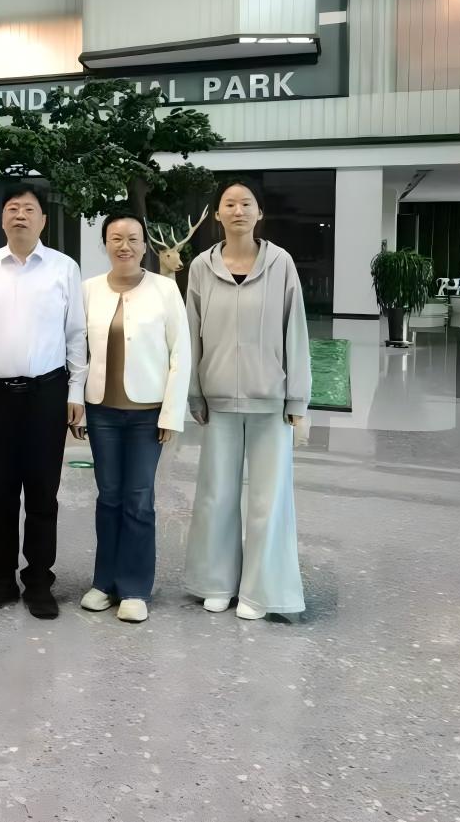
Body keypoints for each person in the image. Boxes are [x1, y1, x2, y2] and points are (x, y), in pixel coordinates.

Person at [183, 179, 310, 620]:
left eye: (246, 203)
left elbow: (296, 331)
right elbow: (192, 332)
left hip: (270, 401)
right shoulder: (201, 266)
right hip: (217, 399)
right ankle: (215, 582)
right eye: (229, 204)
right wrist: (193, 391)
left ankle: (261, 591)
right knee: (215, 496)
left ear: (260, 213)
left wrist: (297, 400)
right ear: (217, 214)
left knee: (268, 501)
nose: (238, 211)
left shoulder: (281, 264)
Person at [0, 185, 86, 619]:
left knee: (42, 493)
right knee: (0, 493)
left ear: (43, 220)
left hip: (47, 394)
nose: (20, 215)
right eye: (12, 208)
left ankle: (38, 581)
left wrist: (76, 391)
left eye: (29, 209)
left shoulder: (64, 268)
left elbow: (76, 334)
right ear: (2, 219)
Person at [73, 210, 191, 624]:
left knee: (139, 498)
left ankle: (136, 588)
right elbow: (77, 351)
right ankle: (104, 582)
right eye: (116, 238)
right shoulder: (88, 290)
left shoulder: (164, 289)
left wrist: (171, 414)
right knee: (108, 497)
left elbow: (181, 353)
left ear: (144, 246)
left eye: (133, 239)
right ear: (105, 243)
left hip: (147, 414)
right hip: (101, 411)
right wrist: (76, 404)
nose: (124, 246)